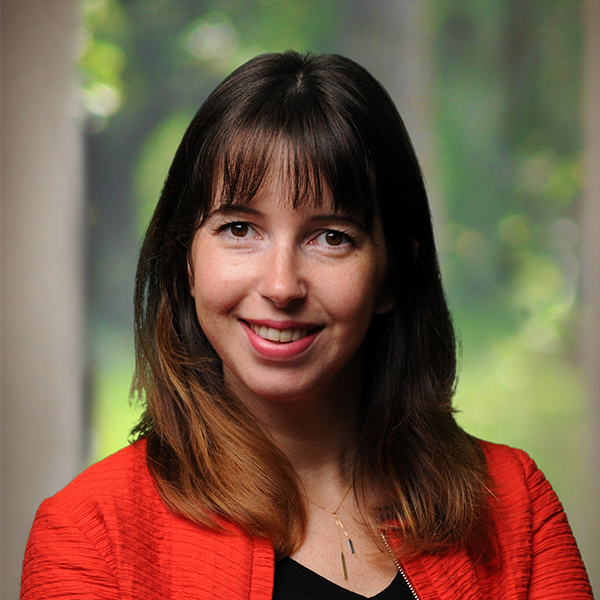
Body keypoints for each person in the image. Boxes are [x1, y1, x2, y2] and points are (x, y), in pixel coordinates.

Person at [21, 51, 592, 599]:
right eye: (240, 229)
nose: (281, 285)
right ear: (185, 261)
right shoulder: (90, 535)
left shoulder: (517, 502)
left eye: (331, 237)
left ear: (392, 276)